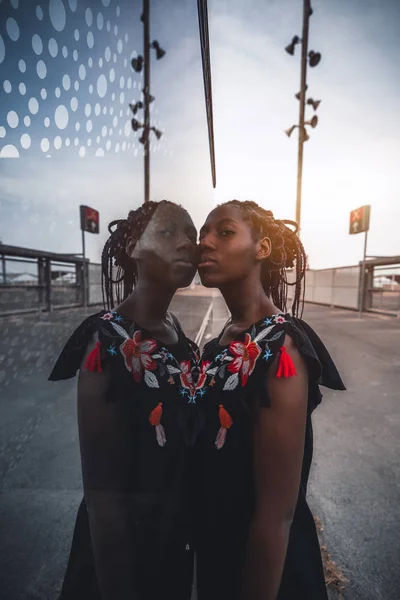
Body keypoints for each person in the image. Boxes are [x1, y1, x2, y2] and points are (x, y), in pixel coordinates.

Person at [192, 200, 345, 600]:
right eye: (202, 234)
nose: (204, 242)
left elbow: (277, 516)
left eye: (224, 232)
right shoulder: (222, 340)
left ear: (261, 249)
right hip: (220, 555)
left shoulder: (281, 347)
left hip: (266, 573)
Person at [48, 200, 199, 600]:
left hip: (173, 546)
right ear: (133, 245)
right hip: (122, 558)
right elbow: (102, 498)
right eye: (168, 232)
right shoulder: (105, 340)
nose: (187, 243)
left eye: (192, 235)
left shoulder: (176, 330)